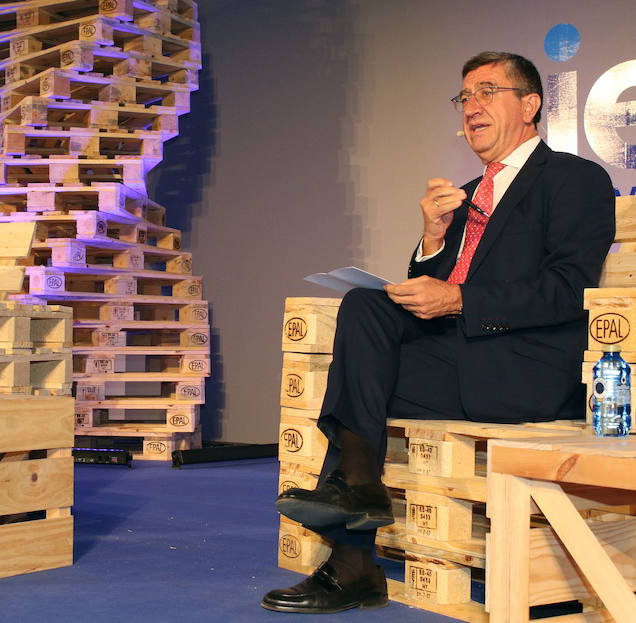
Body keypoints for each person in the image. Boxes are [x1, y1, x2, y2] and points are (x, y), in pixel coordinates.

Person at [262, 52, 615, 613]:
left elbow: (568, 289)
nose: (471, 107)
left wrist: (459, 297)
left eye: (487, 92)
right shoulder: (468, 193)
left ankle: (353, 556)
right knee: (364, 307)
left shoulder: (576, 179)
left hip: (524, 369)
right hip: (458, 356)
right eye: (464, 97)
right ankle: (358, 512)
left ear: (530, 105)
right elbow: (432, 292)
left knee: (359, 392)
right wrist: (431, 238)